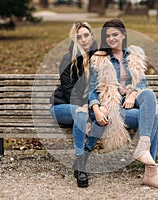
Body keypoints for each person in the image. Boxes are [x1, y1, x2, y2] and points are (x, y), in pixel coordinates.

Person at [88, 19, 158, 189]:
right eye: (108, 35)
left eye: (115, 34)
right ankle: (151, 172)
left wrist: (133, 94)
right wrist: (96, 109)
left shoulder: (134, 56)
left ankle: (143, 149)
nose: (111, 38)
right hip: (111, 108)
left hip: (132, 104)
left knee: (147, 94)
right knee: (154, 118)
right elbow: (92, 90)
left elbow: (141, 84)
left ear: (123, 35)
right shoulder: (99, 59)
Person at [50, 21, 101, 188]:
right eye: (79, 37)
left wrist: (92, 108)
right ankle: (80, 167)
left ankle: (83, 156)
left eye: (86, 35)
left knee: (103, 118)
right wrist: (84, 108)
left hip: (85, 108)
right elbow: (67, 89)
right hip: (62, 107)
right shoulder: (68, 58)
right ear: (75, 40)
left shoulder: (99, 58)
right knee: (81, 113)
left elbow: (99, 87)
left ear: (92, 36)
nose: (84, 40)